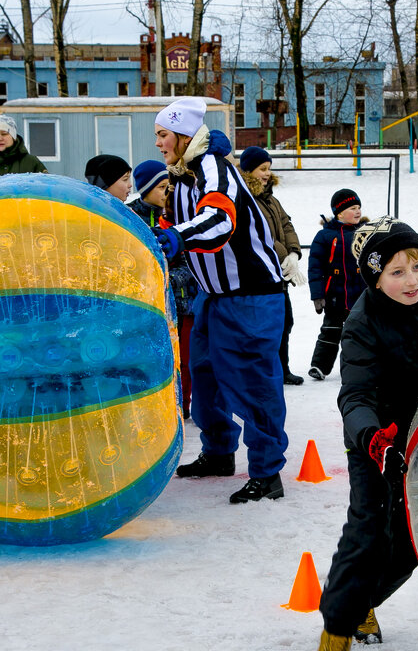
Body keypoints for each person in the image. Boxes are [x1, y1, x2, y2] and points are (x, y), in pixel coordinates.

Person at [312, 217, 418, 651]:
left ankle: (365, 602)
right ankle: (335, 634)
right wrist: (372, 437)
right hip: (376, 440)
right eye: (396, 272)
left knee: (416, 539)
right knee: (369, 534)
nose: (412, 279)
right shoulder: (361, 324)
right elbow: (355, 396)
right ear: (376, 278)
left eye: (416, 265)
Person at [153, 97, 289, 503]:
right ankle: (218, 452)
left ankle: (267, 473)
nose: (158, 144)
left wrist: (177, 237)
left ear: (181, 134)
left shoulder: (214, 167)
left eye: (162, 135)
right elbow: (171, 226)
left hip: (250, 297)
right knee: (206, 377)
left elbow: (219, 221)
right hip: (212, 297)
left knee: (252, 384)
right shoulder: (181, 176)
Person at [129, 158, 198, 418]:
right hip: (147, 305)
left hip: (182, 303)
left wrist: (168, 279)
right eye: (161, 187)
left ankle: (183, 406)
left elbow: (188, 262)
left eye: (169, 187)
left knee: (185, 361)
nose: (167, 193)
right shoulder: (130, 217)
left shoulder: (174, 217)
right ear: (145, 188)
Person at [239, 146, 308, 385]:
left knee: (285, 322)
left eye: (269, 169)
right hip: (260, 274)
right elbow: (262, 235)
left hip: (278, 273)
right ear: (249, 170)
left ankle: (282, 368)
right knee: (265, 327)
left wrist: (294, 254)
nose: (267, 173)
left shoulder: (270, 198)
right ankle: (266, 372)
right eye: (262, 169)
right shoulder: (246, 198)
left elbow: (286, 225)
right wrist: (284, 257)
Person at [307, 189, 368, 380]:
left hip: (360, 292)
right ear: (339, 212)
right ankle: (320, 366)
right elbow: (315, 266)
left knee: (360, 332)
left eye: (359, 207)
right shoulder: (325, 236)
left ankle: (358, 367)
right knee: (331, 329)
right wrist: (317, 295)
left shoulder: (365, 233)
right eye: (352, 208)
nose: (357, 211)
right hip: (335, 293)